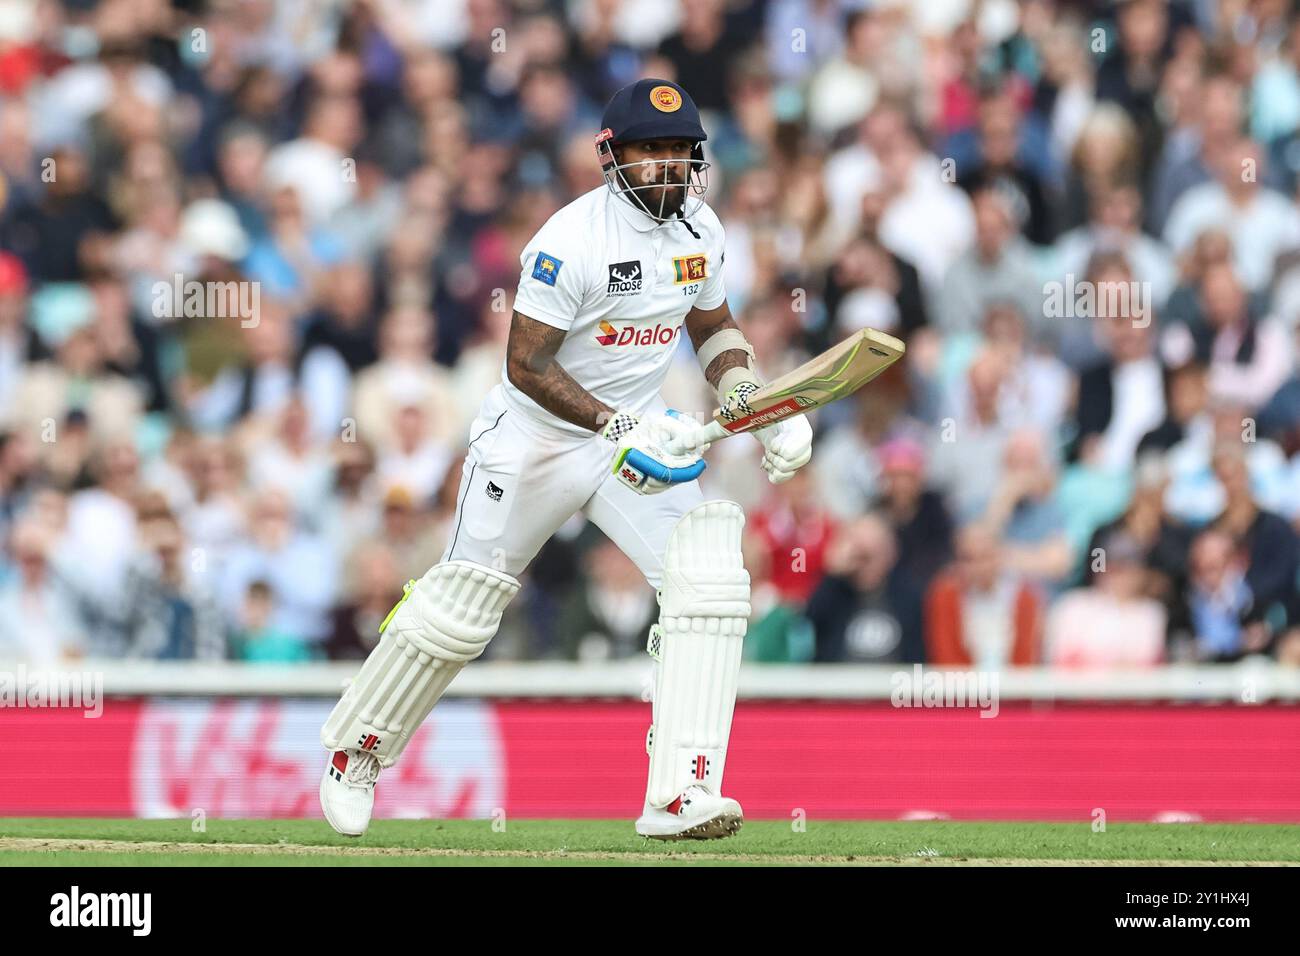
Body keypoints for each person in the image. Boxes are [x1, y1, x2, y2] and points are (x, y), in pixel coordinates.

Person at [318, 79, 813, 841]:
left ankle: (679, 793)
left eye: (681, 152)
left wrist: (755, 400)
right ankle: (358, 752)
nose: (669, 166)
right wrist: (618, 423)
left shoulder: (702, 232)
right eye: (652, 150)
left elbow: (714, 329)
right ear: (610, 156)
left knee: (709, 576)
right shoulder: (570, 240)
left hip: (630, 440)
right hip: (535, 440)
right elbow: (526, 365)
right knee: (462, 610)